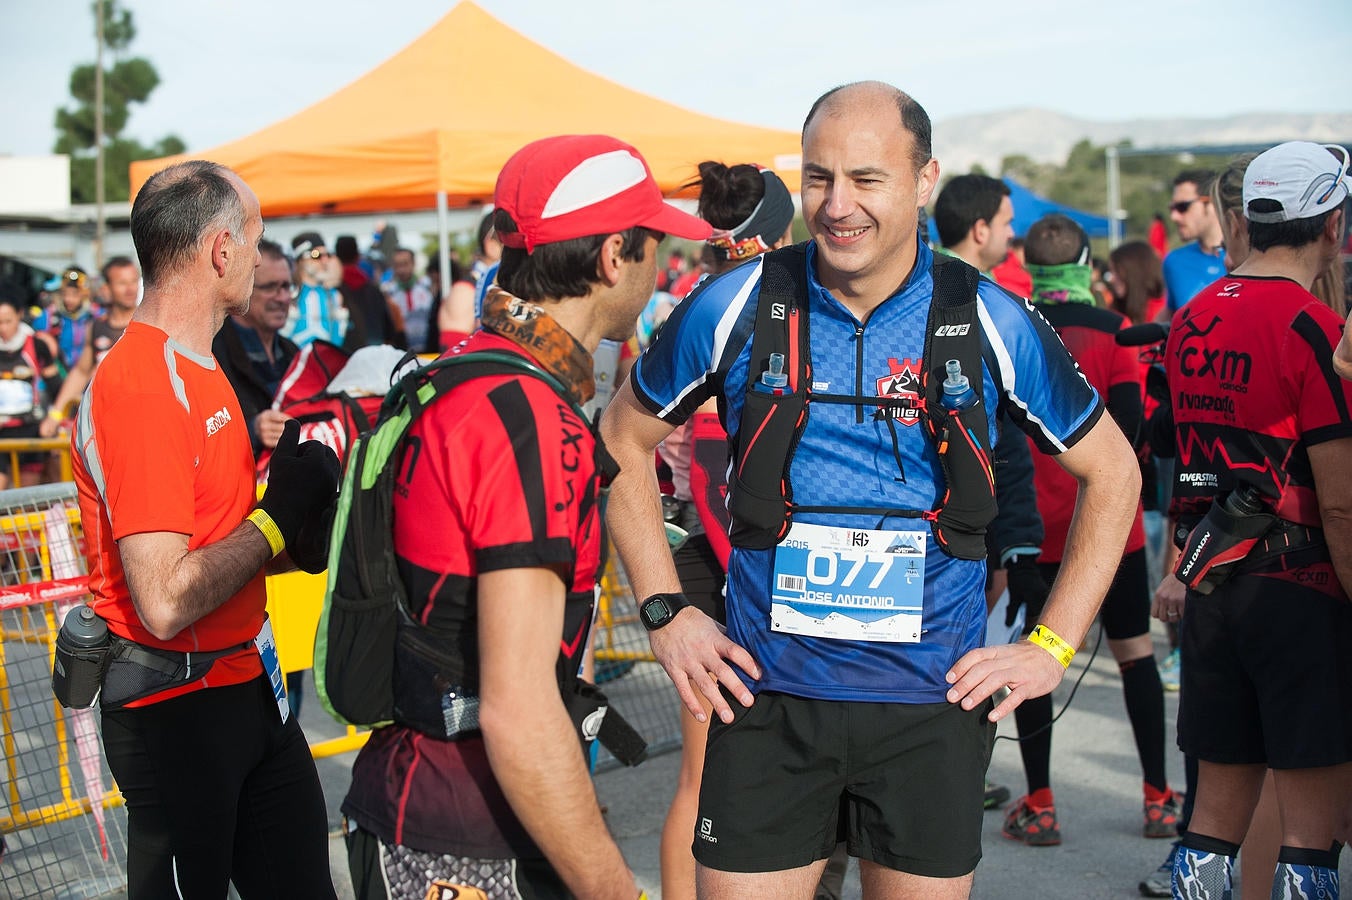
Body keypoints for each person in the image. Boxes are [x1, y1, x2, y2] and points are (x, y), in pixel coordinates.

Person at [600, 81, 1141, 898]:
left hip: (931, 707)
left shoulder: (987, 316)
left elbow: (1115, 470)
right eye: (819, 178)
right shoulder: (737, 302)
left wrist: (1052, 647)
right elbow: (620, 439)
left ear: (924, 181)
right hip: (767, 699)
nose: (837, 205)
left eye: (866, 179)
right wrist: (666, 612)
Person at [339, 133, 712, 900]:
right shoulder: (524, 415)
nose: (662, 268)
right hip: (466, 833)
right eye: (656, 247)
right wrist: (620, 891)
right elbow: (518, 706)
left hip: (433, 804)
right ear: (615, 256)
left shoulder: (467, 373)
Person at [70, 160, 341, 898]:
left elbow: (215, 540)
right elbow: (163, 598)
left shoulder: (201, 364)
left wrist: (299, 532)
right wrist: (278, 519)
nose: (261, 258)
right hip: (176, 708)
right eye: (255, 239)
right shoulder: (141, 385)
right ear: (221, 249)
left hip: (249, 686)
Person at [1157, 142, 1352, 899]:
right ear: (1332, 225)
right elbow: (1338, 498)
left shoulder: (1193, 314)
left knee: (1211, 823)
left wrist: (1180, 566)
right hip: (1300, 586)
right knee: (1309, 836)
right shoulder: (1314, 327)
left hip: (1213, 583)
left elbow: (1181, 461)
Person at [1013, 214, 1181, 847]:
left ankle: (1040, 804)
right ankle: (1158, 798)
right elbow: (1133, 427)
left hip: (1035, 524)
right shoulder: (1116, 333)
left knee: (1031, 658)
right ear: (1085, 262)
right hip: (1113, 528)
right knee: (1135, 653)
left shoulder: (1016, 327)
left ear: (1031, 265)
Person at [655, 160, 796, 900]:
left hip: (688, 543)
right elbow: (720, 460)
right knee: (738, 765)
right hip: (742, 549)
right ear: (780, 230)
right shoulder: (765, 309)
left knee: (703, 769)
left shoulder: (678, 304)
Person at [931, 171, 1050, 822]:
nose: (1011, 234)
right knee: (960, 670)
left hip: (950, 536)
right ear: (980, 230)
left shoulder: (914, 290)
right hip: (963, 544)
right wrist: (1017, 543)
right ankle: (953, 780)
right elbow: (1003, 449)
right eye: (1007, 223)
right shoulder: (983, 307)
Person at [40, 256, 141, 436]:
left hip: (142, 419)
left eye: (134, 281)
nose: (130, 289)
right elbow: (81, 372)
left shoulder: (148, 322)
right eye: (122, 283)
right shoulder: (96, 327)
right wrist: (55, 414)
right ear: (106, 288)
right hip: (107, 423)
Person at [0, 289, 59, 489]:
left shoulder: (35, 345)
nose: (3, 328)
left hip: (29, 430)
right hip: (1, 431)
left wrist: (56, 418)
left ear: (19, 315)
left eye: (8, 321)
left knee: (27, 497)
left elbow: (56, 387)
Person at [1160, 169, 1226, 317]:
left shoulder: (1245, 257)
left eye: (1183, 207)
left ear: (1211, 203)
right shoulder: (1174, 261)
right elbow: (1171, 316)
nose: (1174, 216)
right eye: (1172, 208)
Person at [35, 265, 100, 376]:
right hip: (56, 378)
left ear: (84, 294)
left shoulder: (96, 316)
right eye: (65, 294)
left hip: (88, 377)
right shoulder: (49, 316)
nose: (68, 299)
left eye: (75, 294)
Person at [382, 247, 436, 352]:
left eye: (405, 264)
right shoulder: (389, 293)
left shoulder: (428, 287)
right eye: (397, 265)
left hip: (429, 350)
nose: (401, 270)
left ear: (413, 263)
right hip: (402, 352)